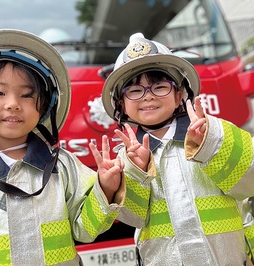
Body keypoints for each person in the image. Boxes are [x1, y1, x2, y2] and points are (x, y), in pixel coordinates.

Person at [0, 29, 125, 265]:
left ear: (44, 107)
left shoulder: (65, 166)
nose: (13, 104)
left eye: (27, 95)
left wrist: (106, 188)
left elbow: (85, 230)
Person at [91, 32, 254, 265]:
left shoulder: (214, 132)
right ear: (122, 105)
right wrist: (135, 171)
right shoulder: (125, 158)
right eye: (135, 91)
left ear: (179, 95)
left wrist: (212, 145)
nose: (147, 97)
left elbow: (250, 180)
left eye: (159, 87)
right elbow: (133, 216)